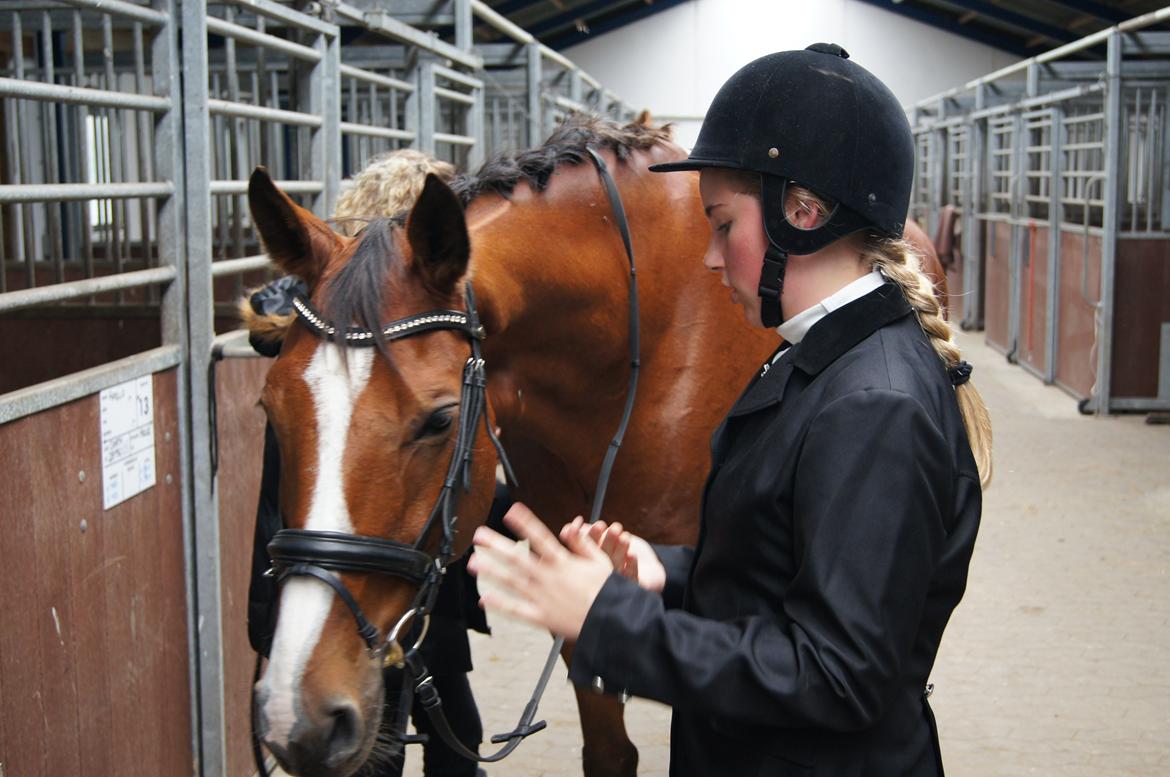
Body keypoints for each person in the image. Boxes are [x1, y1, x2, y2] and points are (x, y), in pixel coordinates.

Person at [467, 44, 992, 777]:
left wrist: (610, 622)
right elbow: (785, 565)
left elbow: (838, 676)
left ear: (802, 214)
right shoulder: (816, 357)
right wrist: (667, 569)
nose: (711, 258)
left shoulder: (874, 406)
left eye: (722, 225)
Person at [245, 148, 490, 777]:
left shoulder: (431, 328)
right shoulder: (325, 332)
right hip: (348, 584)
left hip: (413, 587)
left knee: (453, 726)